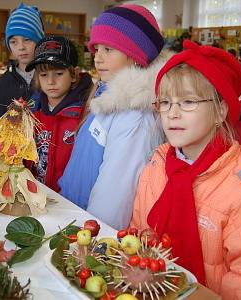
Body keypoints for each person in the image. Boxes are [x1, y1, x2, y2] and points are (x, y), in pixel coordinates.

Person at [131, 40, 241, 299]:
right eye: (165, 102)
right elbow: (140, 232)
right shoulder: (156, 164)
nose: (172, 113)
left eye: (188, 102)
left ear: (221, 110)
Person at [59, 4, 168, 229]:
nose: (97, 59)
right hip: (75, 214)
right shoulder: (109, 99)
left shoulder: (135, 115)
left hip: (92, 229)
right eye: (96, 49)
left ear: (136, 56)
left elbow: (116, 194)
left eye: (108, 50)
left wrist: (94, 240)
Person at [25, 36, 93, 191]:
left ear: (74, 74)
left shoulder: (86, 114)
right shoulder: (30, 111)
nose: (51, 81)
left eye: (59, 73)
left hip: (68, 202)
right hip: (34, 195)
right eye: (43, 75)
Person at [0, 3, 45, 122]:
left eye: (27, 39)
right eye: (14, 42)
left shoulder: (51, 79)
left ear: (39, 40)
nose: (21, 47)